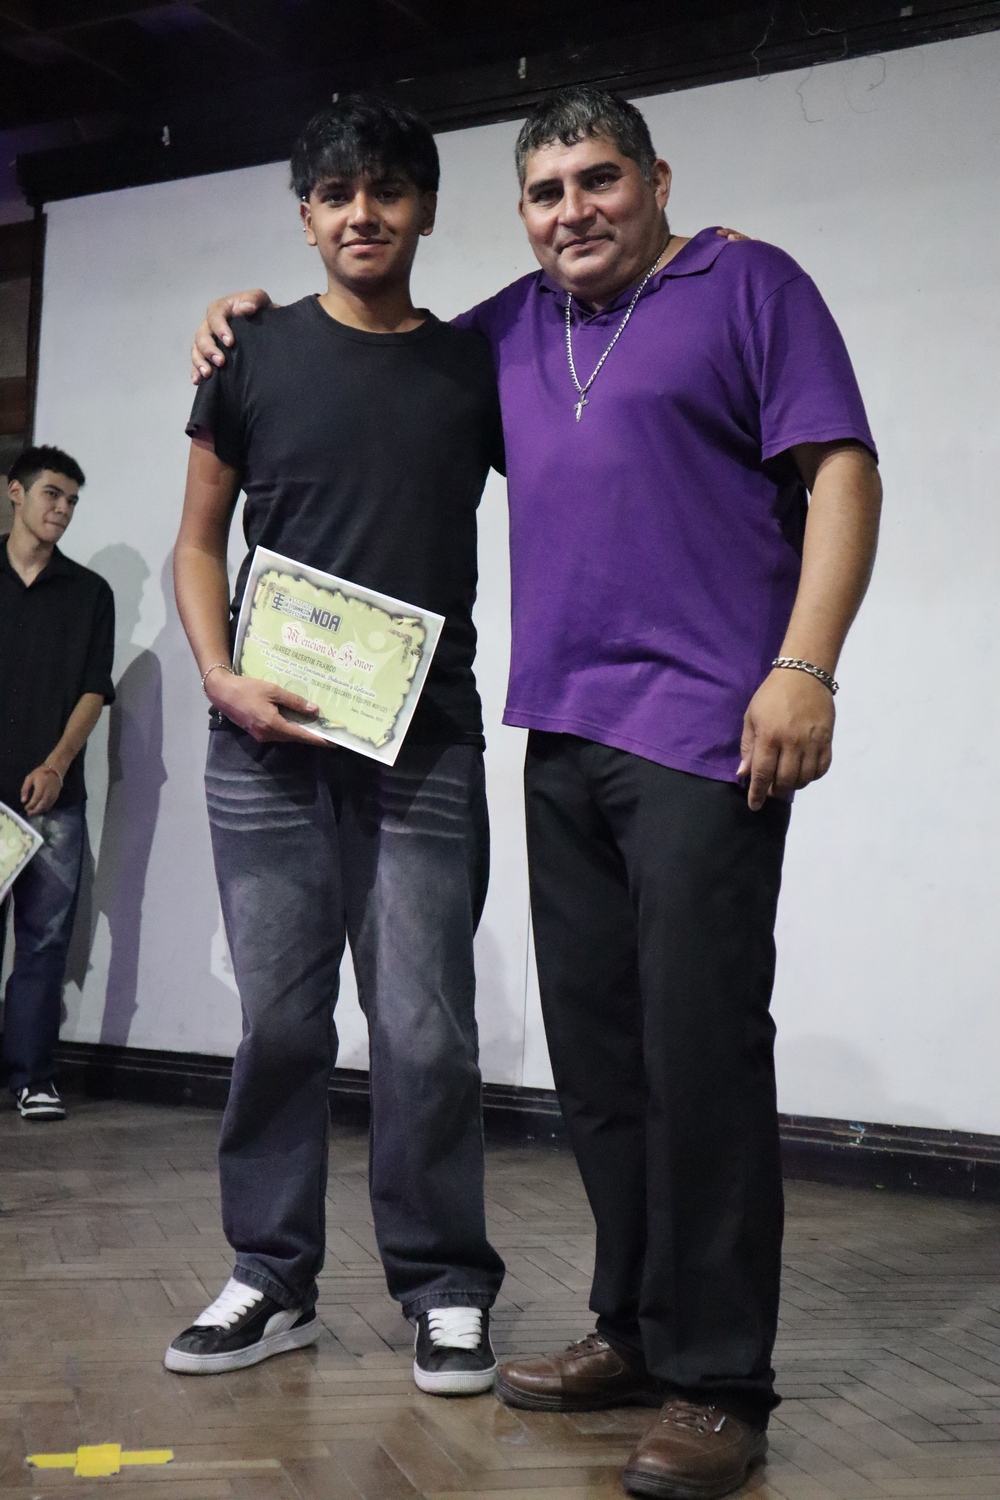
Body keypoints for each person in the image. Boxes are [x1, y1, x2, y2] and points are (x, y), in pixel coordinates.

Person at [190, 86, 881, 1500]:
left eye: (599, 179)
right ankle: (633, 1328)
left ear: (657, 179)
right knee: (602, 1065)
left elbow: (843, 474)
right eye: (548, 189)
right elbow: (377, 365)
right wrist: (237, 323)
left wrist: (805, 664)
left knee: (700, 1055)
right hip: (559, 734)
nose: (574, 209)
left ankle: (719, 1381)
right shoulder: (504, 334)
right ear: (517, 213)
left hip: (708, 732)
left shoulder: (751, 284)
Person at [167, 97, 506, 1393]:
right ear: (305, 216)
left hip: (425, 749)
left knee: (425, 1032)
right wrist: (220, 677)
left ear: (425, 207)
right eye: (336, 194)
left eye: (387, 190)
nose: (362, 213)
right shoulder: (248, 353)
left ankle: (447, 1286)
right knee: (280, 1026)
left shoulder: (476, 367)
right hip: (262, 747)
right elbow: (198, 543)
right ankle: (270, 1275)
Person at [0, 446, 115, 1122]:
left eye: (72, 500)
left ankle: (32, 1077)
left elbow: (93, 690)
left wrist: (57, 764)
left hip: (52, 799)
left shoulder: (90, 594)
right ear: (15, 491)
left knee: (43, 944)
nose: (63, 509)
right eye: (52, 494)